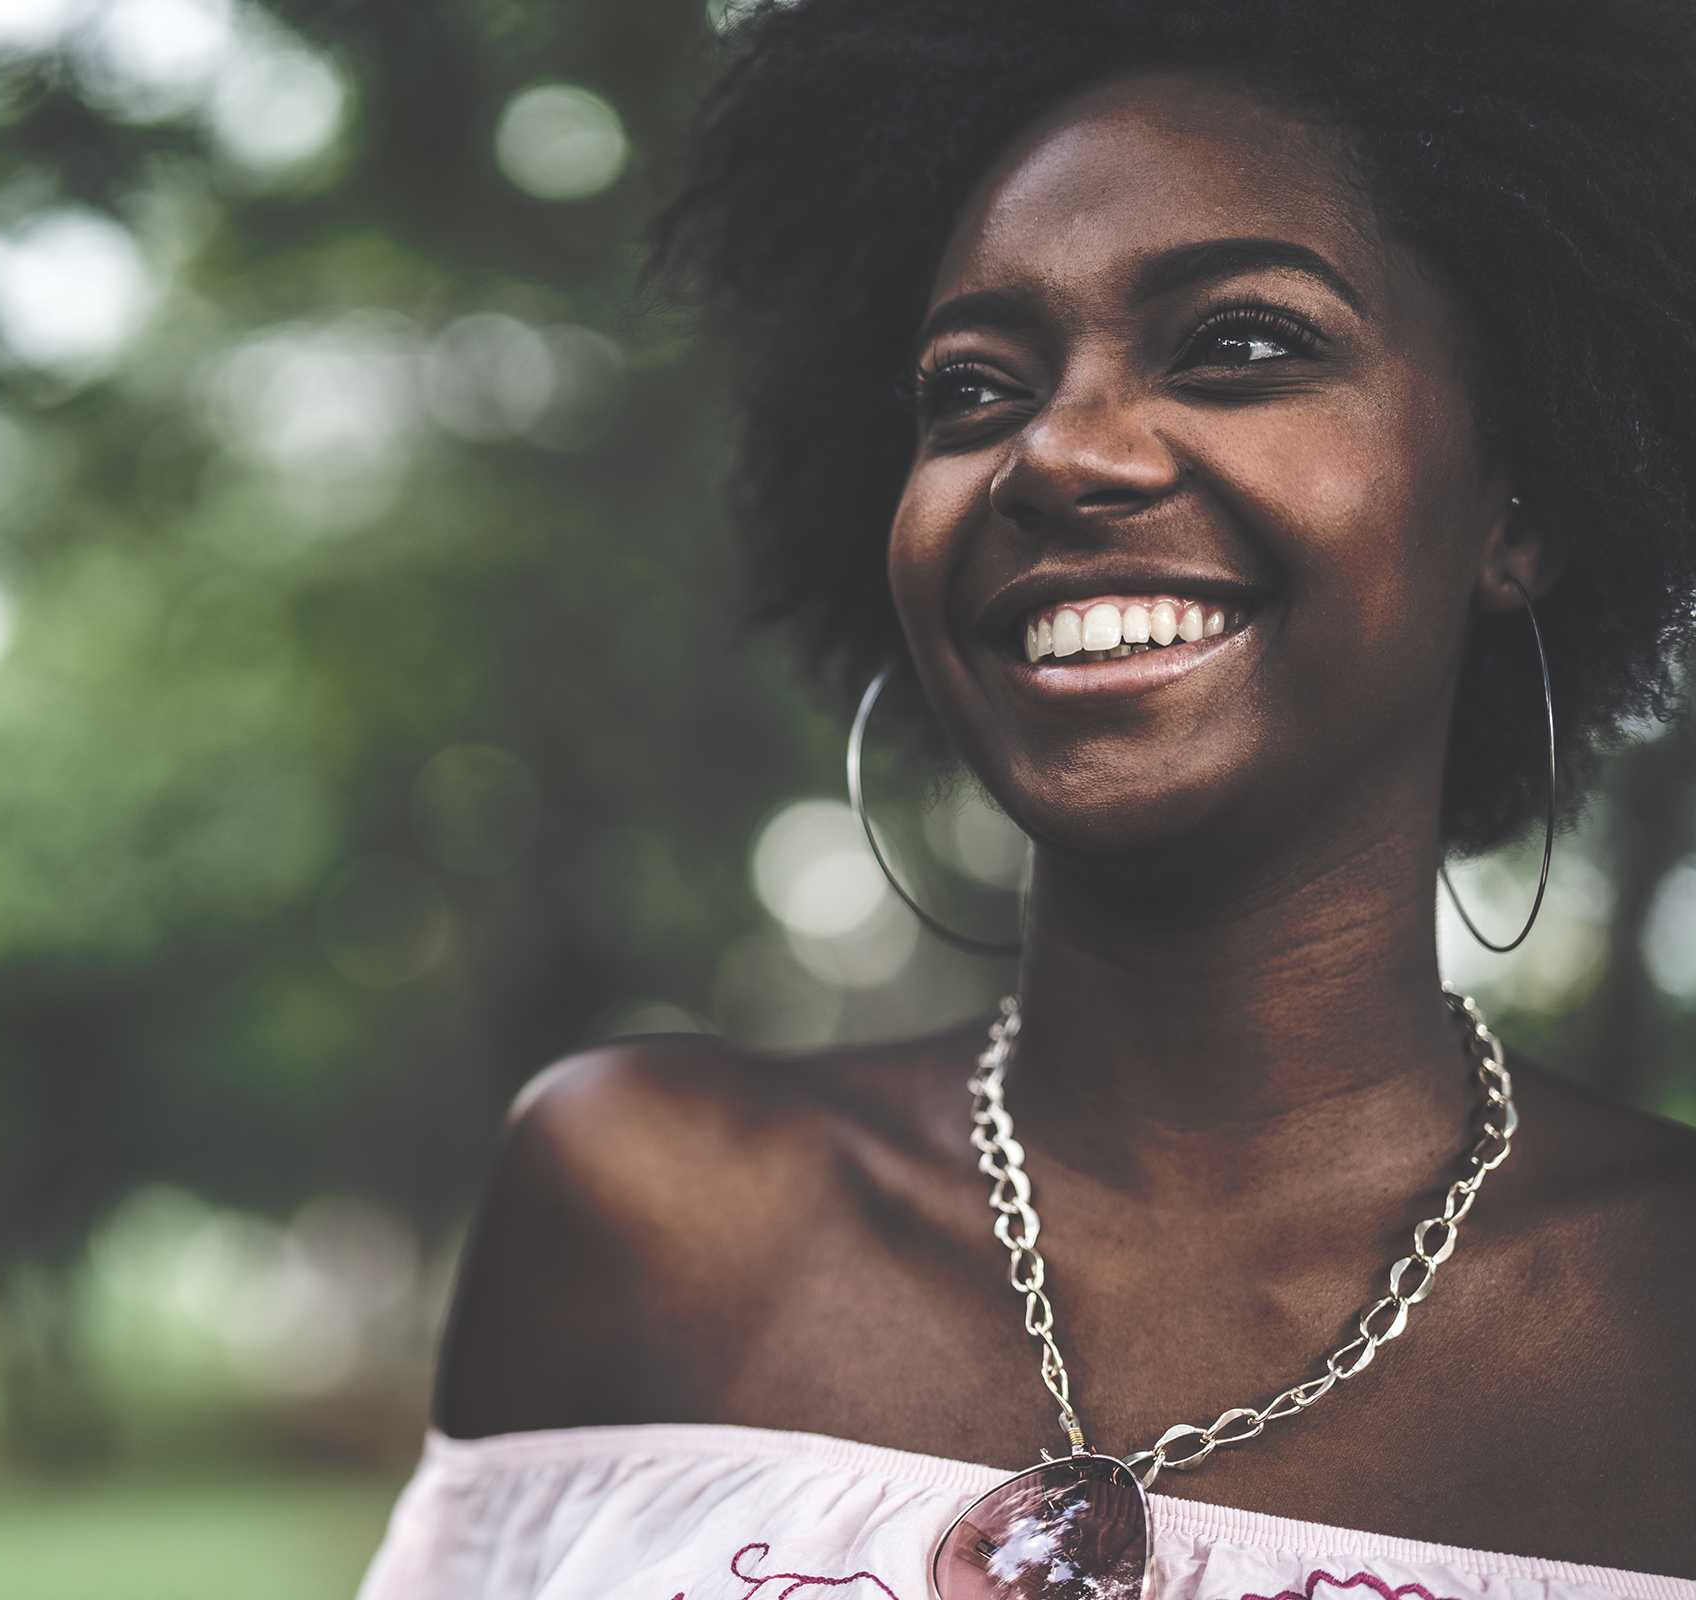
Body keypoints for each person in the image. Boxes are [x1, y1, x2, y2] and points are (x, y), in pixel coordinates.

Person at [357, 2, 1696, 1595]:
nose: (1057, 455)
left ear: (1519, 509)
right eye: (970, 389)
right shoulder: (639, 1208)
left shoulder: (1659, 1327)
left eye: (1240, 342)